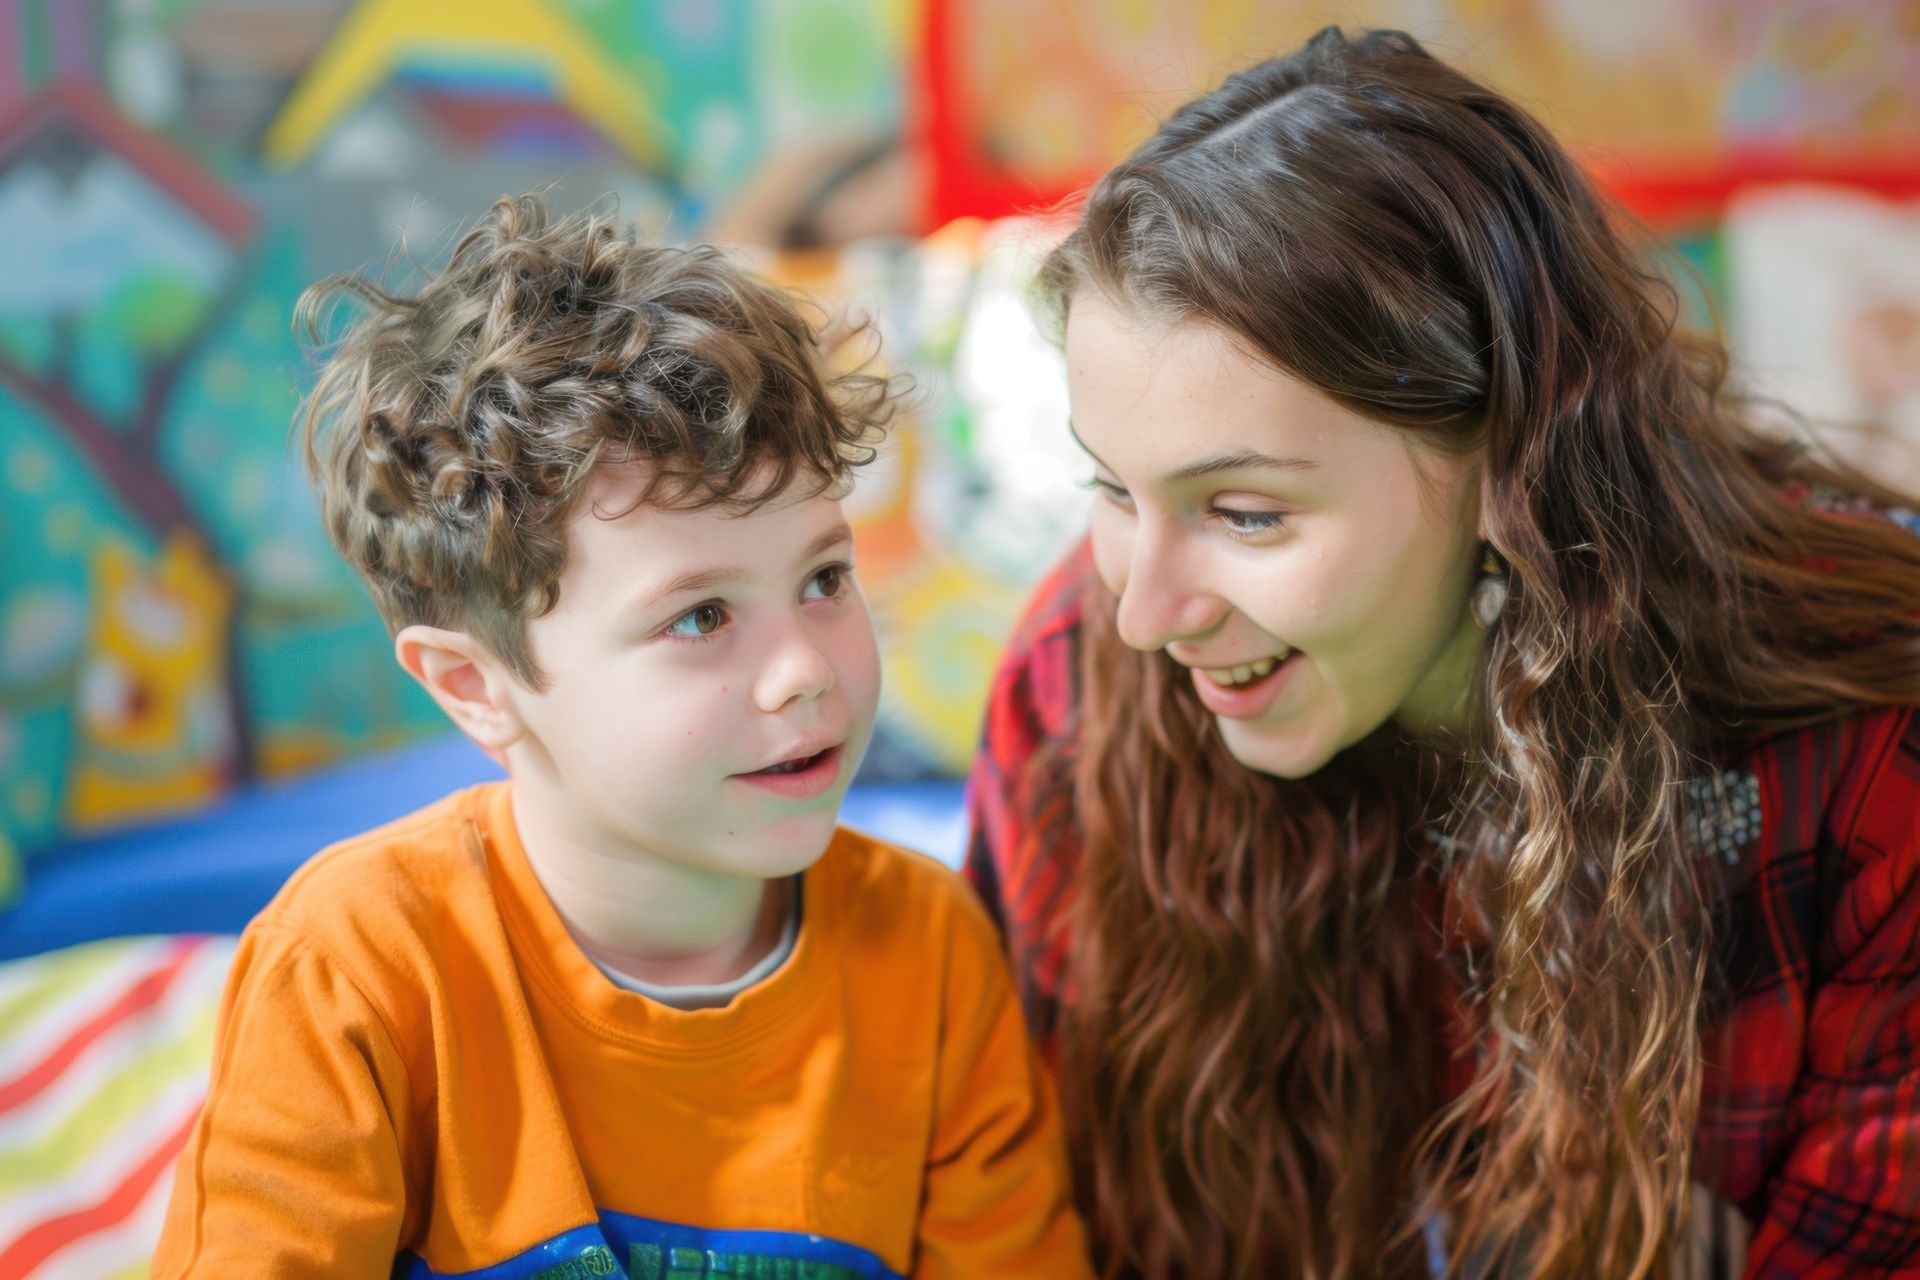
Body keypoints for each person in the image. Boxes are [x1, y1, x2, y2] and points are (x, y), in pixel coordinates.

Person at [965, 27, 1920, 1280]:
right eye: (1113, 490)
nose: (1146, 610)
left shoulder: (1871, 733)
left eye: (1246, 513)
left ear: (1505, 463)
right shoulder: (1074, 689)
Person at [151, 194, 1090, 1279]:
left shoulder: (931, 955)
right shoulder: (355, 968)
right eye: (701, 615)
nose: (805, 669)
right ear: (476, 685)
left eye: (824, 579)